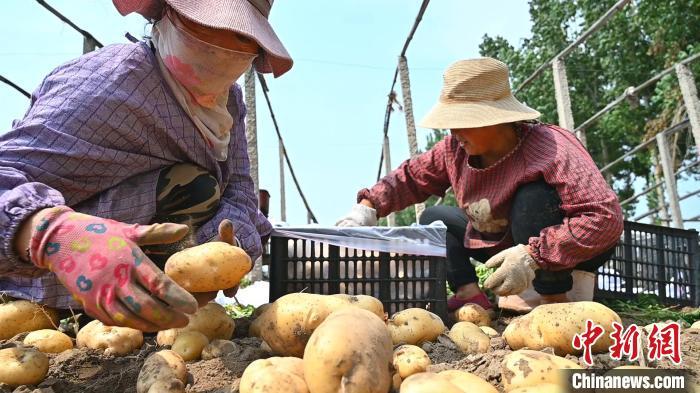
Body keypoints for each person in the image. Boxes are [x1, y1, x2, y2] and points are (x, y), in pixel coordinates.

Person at [0, 0, 292, 332]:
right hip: (40, 272)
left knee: (207, 194)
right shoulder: (107, 81)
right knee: (195, 186)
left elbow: (240, 191)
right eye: (206, 24)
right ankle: (63, 308)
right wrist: (53, 234)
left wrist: (227, 245)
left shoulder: (230, 102)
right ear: (167, 14)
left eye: (239, 36)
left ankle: (142, 310)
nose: (220, 44)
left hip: (142, 267)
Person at [337, 58, 623, 312]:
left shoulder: (550, 147)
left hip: (562, 251)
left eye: (464, 122)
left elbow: (604, 218)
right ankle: (469, 295)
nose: (454, 131)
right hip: (502, 246)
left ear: (497, 119)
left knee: (533, 198)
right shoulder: (454, 150)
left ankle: (553, 303)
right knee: (435, 218)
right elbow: (412, 177)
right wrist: (367, 207)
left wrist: (533, 255)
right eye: (451, 123)